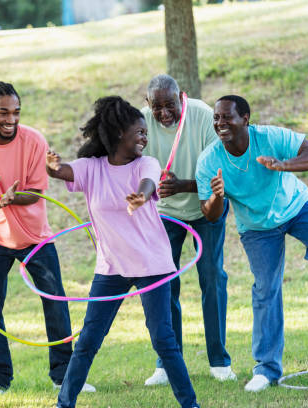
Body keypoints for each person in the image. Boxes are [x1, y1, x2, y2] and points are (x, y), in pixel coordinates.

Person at [195, 95, 308, 392]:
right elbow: (209, 215)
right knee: (266, 288)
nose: (221, 123)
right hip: (257, 227)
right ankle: (266, 369)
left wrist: (284, 165)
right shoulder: (210, 160)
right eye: (217, 119)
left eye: (227, 117)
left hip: (298, 207)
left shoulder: (270, 136)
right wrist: (217, 197)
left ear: (246, 118)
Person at [47, 96, 200, 408]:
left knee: (163, 340)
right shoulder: (92, 169)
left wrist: (141, 198)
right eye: (139, 132)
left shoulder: (147, 163)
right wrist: (52, 167)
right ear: (119, 133)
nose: (145, 137)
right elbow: (63, 171)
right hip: (112, 267)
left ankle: (190, 404)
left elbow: (148, 182)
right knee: (89, 339)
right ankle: (64, 404)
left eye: (146, 133)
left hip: (152, 265)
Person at [0, 81, 94, 398]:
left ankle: (64, 375)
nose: (11, 119)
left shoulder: (34, 140)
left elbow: (38, 193)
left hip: (35, 235)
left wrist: (13, 197)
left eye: (16, 112)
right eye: (3, 112)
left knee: (55, 302)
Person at [141, 74, 234, 385]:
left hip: (206, 206)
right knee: (164, 284)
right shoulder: (140, 122)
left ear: (182, 97)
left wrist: (182, 186)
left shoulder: (204, 116)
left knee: (212, 277)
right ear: (147, 103)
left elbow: (222, 175)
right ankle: (167, 362)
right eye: (157, 107)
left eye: (170, 104)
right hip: (165, 213)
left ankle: (219, 360)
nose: (164, 112)